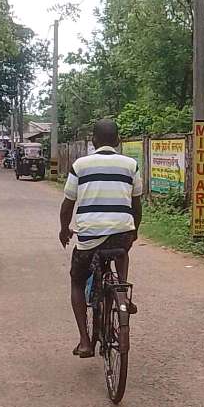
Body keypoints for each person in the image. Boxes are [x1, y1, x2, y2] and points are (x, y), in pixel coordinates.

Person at [59, 118, 142, 358]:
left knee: (77, 281)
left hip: (90, 236)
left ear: (93, 141)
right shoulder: (130, 165)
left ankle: (85, 342)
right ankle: (122, 291)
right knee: (122, 251)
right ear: (118, 140)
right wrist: (134, 231)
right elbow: (137, 205)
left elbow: (67, 205)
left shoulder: (80, 165)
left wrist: (64, 230)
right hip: (121, 234)